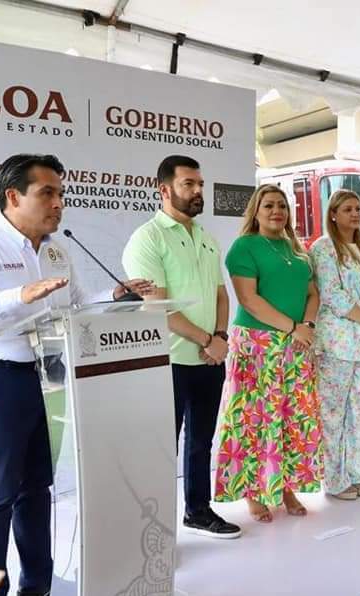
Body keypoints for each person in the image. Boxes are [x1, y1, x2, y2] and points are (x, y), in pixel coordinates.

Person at [0, 154, 154, 596]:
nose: (58, 204)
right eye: (47, 193)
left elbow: (72, 304)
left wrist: (112, 295)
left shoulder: (55, 248)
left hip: (47, 375)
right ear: (13, 196)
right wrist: (19, 295)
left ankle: (37, 588)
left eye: (60, 194)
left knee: (36, 488)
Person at [122, 155, 241, 538]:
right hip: (167, 360)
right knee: (161, 449)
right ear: (165, 189)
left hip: (209, 358)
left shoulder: (206, 237)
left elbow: (222, 294)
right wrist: (208, 339)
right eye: (189, 184)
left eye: (200, 184)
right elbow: (158, 307)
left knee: (201, 441)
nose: (197, 191)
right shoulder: (147, 238)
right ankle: (153, 530)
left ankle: (198, 510)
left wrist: (220, 338)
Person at [213, 184, 322, 523]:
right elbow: (248, 300)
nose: (277, 211)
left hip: (295, 344)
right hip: (257, 344)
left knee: (291, 417)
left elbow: (312, 293)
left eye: (282, 206)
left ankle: (285, 485)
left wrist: (306, 325)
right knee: (254, 419)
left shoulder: (297, 249)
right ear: (256, 212)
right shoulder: (244, 247)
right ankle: (252, 491)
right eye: (269, 205)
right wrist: (292, 327)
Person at [310, 189, 360, 500]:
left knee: (359, 410)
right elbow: (332, 294)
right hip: (337, 343)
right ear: (333, 214)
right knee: (332, 412)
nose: (355, 214)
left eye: (358, 209)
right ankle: (334, 478)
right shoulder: (324, 248)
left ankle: (356, 474)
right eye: (347, 209)